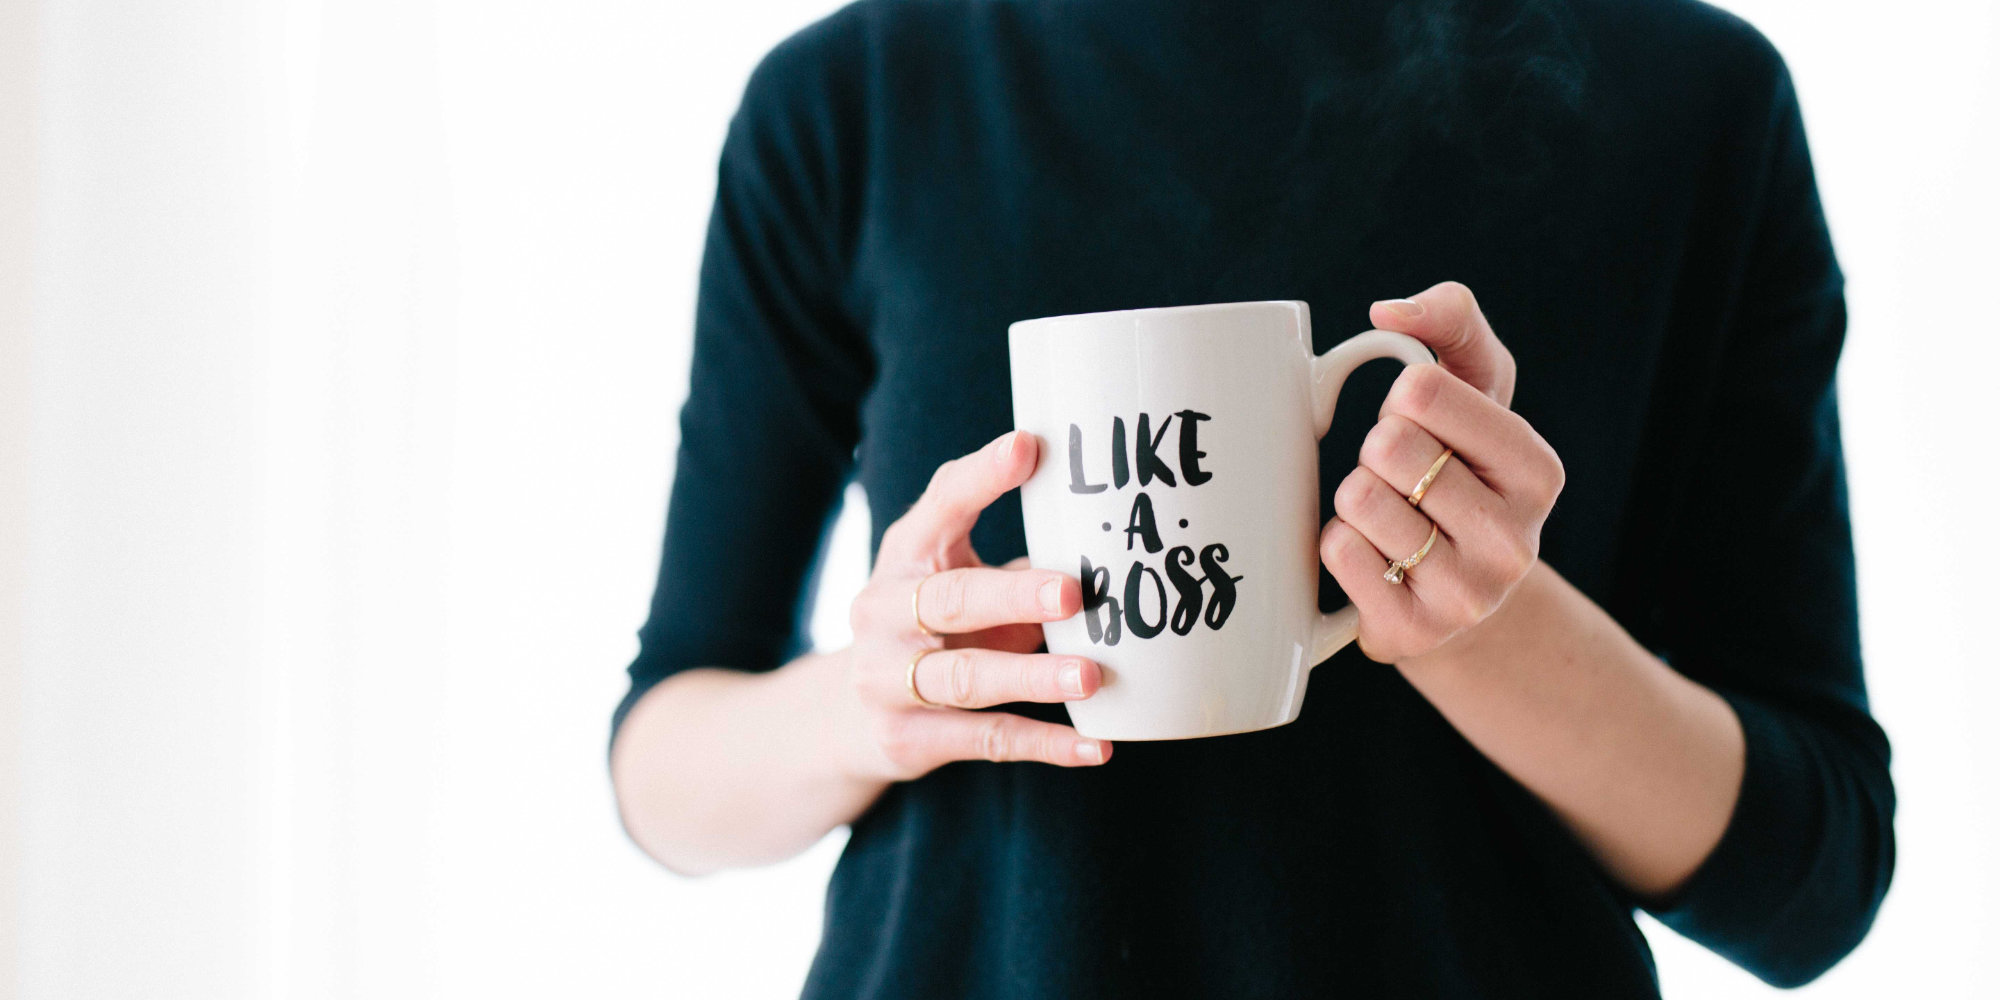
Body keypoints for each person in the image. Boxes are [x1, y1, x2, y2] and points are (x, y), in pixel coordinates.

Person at [607, 1, 1895, 996]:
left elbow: (1811, 877)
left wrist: (1480, 623)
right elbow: (661, 767)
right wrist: (874, 702)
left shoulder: (1691, 103)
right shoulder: (855, 99)